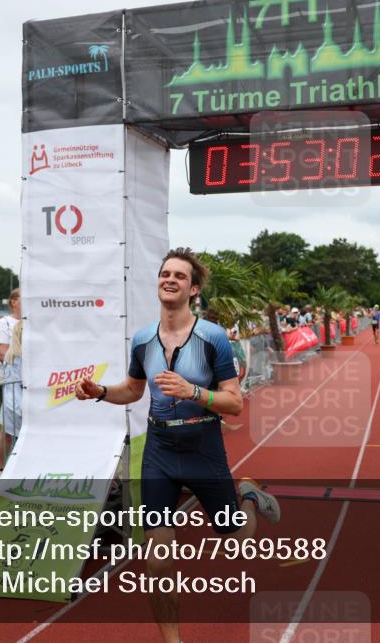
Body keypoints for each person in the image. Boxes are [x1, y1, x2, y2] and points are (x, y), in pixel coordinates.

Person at [75, 247, 280, 643]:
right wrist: (99, 391)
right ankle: (173, 639)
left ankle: (250, 497)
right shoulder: (142, 340)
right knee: (159, 560)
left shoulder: (212, 338)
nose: (169, 279)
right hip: (160, 450)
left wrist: (193, 391)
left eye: (179, 276)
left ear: (194, 289)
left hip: (203, 445)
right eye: (164, 273)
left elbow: (235, 402)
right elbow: (133, 390)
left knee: (236, 541)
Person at [0, 288, 21, 476]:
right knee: (8, 430)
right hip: (12, 384)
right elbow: (1, 353)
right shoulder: (4, 324)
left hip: (31, 385)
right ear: (13, 302)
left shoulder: (35, 322)